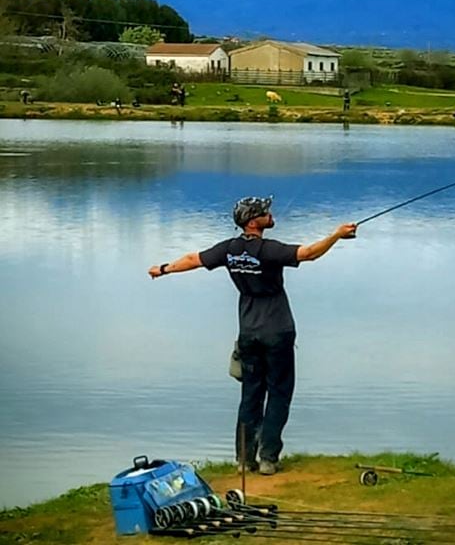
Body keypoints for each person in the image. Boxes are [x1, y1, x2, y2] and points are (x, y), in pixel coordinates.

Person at [147, 196, 357, 475]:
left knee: (251, 395)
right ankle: (268, 459)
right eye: (265, 212)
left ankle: (244, 461)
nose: (271, 214)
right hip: (278, 331)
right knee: (279, 393)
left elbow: (192, 259)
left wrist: (162, 269)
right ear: (254, 221)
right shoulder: (269, 250)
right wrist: (337, 236)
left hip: (248, 332)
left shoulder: (229, 250)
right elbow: (308, 254)